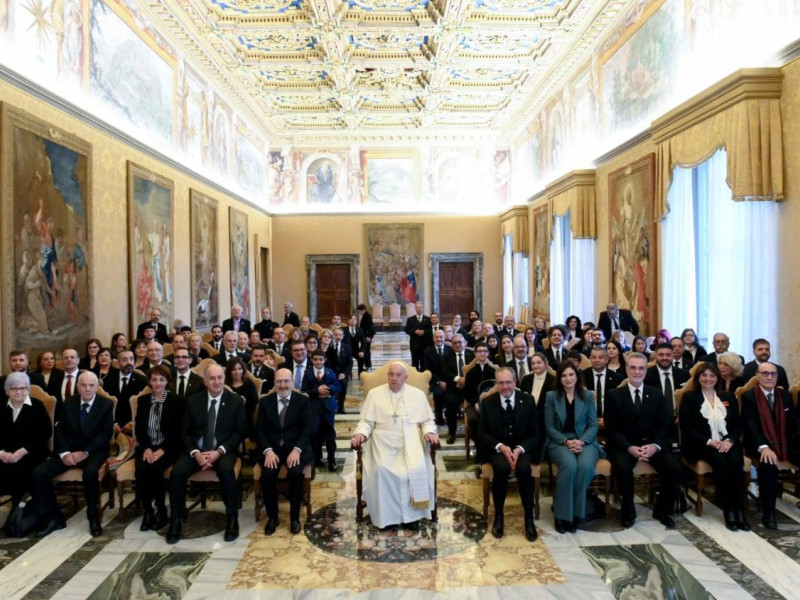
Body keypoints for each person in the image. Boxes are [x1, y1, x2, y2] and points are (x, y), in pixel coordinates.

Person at [351, 362, 439, 531]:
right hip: (382, 441)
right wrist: (360, 433)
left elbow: (427, 421)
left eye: (398, 375)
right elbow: (366, 422)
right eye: (391, 374)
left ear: (405, 378)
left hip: (411, 441)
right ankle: (387, 518)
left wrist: (429, 432)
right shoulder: (375, 395)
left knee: (415, 468)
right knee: (382, 470)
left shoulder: (418, 395)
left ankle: (412, 517)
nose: (394, 378)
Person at [166, 364, 246, 544]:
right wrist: (196, 453)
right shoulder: (193, 401)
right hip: (196, 450)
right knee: (177, 473)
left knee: (227, 472)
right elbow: (184, 432)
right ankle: (176, 520)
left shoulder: (236, 401)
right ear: (205, 381)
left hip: (223, 450)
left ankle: (232, 519)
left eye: (219, 377)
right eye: (212, 378)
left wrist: (219, 452)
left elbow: (239, 432)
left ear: (224, 379)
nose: (216, 382)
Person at [31, 371, 114, 538]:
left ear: (97, 387)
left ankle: (93, 516)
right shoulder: (69, 402)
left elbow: (105, 434)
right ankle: (55, 517)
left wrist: (85, 452)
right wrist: (64, 453)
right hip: (69, 451)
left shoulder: (105, 404)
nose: (88, 389)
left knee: (90, 473)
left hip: (93, 451)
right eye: (83, 385)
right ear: (78, 387)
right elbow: (60, 430)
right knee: (38, 474)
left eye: (91, 385)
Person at [604, 353, 681, 529]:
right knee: (623, 468)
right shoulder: (614, 395)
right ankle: (628, 510)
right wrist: (629, 447)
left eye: (641, 368)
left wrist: (655, 446)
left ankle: (663, 509)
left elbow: (664, 425)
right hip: (625, 446)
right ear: (626, 369)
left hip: (651, 445)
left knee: (674, 469)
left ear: (646, 370)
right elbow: (611, 428)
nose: (637, 371)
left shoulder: (656, 394)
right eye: (633, 367)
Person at [679, 363, 749, 531]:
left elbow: (738, 426)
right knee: (720, 462)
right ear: (698, 378)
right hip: (700, 444)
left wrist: (730, 441)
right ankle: (728, 510)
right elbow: (686, 428)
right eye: (704, 375)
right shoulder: (689, 397)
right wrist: (710, 441)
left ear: (717, 378)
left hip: (726, 442)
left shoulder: (728, 397)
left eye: (712, 375)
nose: (708, 379)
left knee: (735, 461)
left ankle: (739, 509)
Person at [478, 367, 539, 541]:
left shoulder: (527, 400)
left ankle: (529, 518)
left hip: (522, 447)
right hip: (498, 448)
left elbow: (535, 432)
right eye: (501, 383)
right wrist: (500, 447)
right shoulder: (488, 402)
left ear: (515, 382)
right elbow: (482, 434)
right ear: (496, 383)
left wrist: (520, 448)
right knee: (501, 468)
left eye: (508, 382)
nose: (505, 387)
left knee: (523, 469)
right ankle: (499, 516)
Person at [545, 362, 604, 533]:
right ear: (559, 378)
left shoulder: (586, 395)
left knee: (585, 466)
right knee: (570, 466)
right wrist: (567, 442)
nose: (568, 378)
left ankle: (575, 513)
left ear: (577, 376)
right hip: (560, 441)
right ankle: (563, 516)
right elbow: (549, 426)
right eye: (564, 375)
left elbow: (593, 425)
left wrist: (581, 441)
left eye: (571, 374)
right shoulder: (551, 396)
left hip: (585, 441)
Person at [741, 362, 800, 529]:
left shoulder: (785, 395)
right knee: (769, 465)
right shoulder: (749, 397)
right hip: (759, 444)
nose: (769, 377)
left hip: (784, 442)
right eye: (765, 373)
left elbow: (795, 422)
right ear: (758, 376)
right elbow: (750, 426)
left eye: (773, 374)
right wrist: (763, 447)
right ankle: (769, 512)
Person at [257, 368, 313, 535]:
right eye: (279, 381)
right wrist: (267, 450)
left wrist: (297, 450)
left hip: (295, 447)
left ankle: (294, 517)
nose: (283, 385)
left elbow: (308, 429)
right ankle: (272, 517)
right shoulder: (265, 402)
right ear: (274, 383)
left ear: (292, 382)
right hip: (272, 449)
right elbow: (259, 430)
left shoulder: (302, 401)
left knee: (296, 473)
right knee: (267, 474)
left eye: (286, 381)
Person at [135, 365, 182, 531]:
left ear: (167, 381)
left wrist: (162, 449)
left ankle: (161, 510)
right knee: (141, 471)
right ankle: (147, 511)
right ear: (149, 381)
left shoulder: (176, 401)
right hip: (147, 446)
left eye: (161, 379)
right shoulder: (143, 401)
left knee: (155, 469)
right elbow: (139, 429)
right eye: (154, 379)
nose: (157, 383)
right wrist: (147, 448)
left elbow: (178, 431)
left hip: (169, 448)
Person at [0, 373, 51, 513]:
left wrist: (22, 451)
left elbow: (45, 432)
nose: (18, 392)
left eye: (22, 388)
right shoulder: (1, 407)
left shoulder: (37, 406)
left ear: (28, 390)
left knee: (22, 469)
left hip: (32, 452)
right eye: (13, 388)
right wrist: (1, 453)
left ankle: (20, 514)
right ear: (6, 391)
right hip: (6, 454)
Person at [300, 349, 341, 471]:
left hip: (328, 408)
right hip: (314, 408)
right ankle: (316, 459)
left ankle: (331, 460)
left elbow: (338, 387)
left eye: (320, 359)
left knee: (330, 435)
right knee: (315, 434)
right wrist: (317, 391)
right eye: (315, 359)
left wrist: (328, 389)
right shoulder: (308, 373)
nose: (318, 362)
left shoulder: (329, 372)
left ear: (324, 360)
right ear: (311, 360)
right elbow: (304, 390)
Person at [441, 334, 474, 445]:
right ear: (452, 345)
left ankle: (475, 432)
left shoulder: (472, 355)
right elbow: (445, 372)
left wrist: (466, 380)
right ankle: (452, 432)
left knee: (478, 403)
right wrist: (458, 379)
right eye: (454, 343)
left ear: (465, 343)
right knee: (450, 403)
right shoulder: (447, 355)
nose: (457, 344)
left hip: (470, 388)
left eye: (460, 342)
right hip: (455, 388)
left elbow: (476, 370)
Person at [582, 346, 624, 431]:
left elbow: (619, 404)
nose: (597, 360)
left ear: (607, 359)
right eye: (594, 357)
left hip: (611, 421)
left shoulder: (617, 378)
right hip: (586, 421)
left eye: (600, 357)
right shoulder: (582, 376)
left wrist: (607, 420)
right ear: (590, 359)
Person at [226, 357, 259, 442]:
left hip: (245, 421)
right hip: (227, 420)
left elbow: (252, 407)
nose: (237, 372)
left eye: (240, 369)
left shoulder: (250, 384)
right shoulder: (225, 385)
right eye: (234, 369)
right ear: (229, 371)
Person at [423, 329, 451, 427]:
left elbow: (452, 368)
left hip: (449, 380)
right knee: (438, 393)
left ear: (444, 338)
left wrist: (447, 382)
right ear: (433, 338)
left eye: (441, 337)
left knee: (453, 392)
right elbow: (427, 370)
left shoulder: (450, 350)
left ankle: (450, 414)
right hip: (434, 380)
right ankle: (439, 417)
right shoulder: (427, 352)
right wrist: (439, 382)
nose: (439, 339)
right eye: (437, 337)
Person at [327, 328, 352, 414]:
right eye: (336, 335)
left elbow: (349, 363)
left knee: (343, 385)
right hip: (331, 372)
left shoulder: (347, 347)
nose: (338, 337)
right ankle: (331, 405)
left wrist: (344, 374)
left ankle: (341, 406)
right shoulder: (329, 347)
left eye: (340, 335)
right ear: (333, 335)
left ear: (343, 336)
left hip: (342, 373)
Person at [404, 302, 432, 372]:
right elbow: (407, 330)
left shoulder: (428, 319)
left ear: (422, 308)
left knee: (424, 363)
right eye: (417, 307)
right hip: (414, 345)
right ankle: (415, 377)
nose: (419, 309)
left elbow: (430, 329)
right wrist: (415, 331)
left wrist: (424, 332)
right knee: (414, 363)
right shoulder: (410, 319)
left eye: (420, 307)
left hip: (425, 345)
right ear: (415, 309)